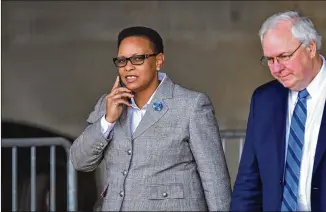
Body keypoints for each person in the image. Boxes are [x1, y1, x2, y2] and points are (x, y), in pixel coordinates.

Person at [70, 26, 231, 211]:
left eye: (138, 59)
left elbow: (214, 179)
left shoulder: (191, 105)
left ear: (158, 61)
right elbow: (80, 161)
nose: (128, 67)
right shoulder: (108, 104)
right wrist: (108, 120)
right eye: (122, 60)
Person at [231, 11, 326, 211]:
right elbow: (249, 180)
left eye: (284, 56)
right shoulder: (264, 100)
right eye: (269, 60)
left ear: (310, 48)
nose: (276, 69)